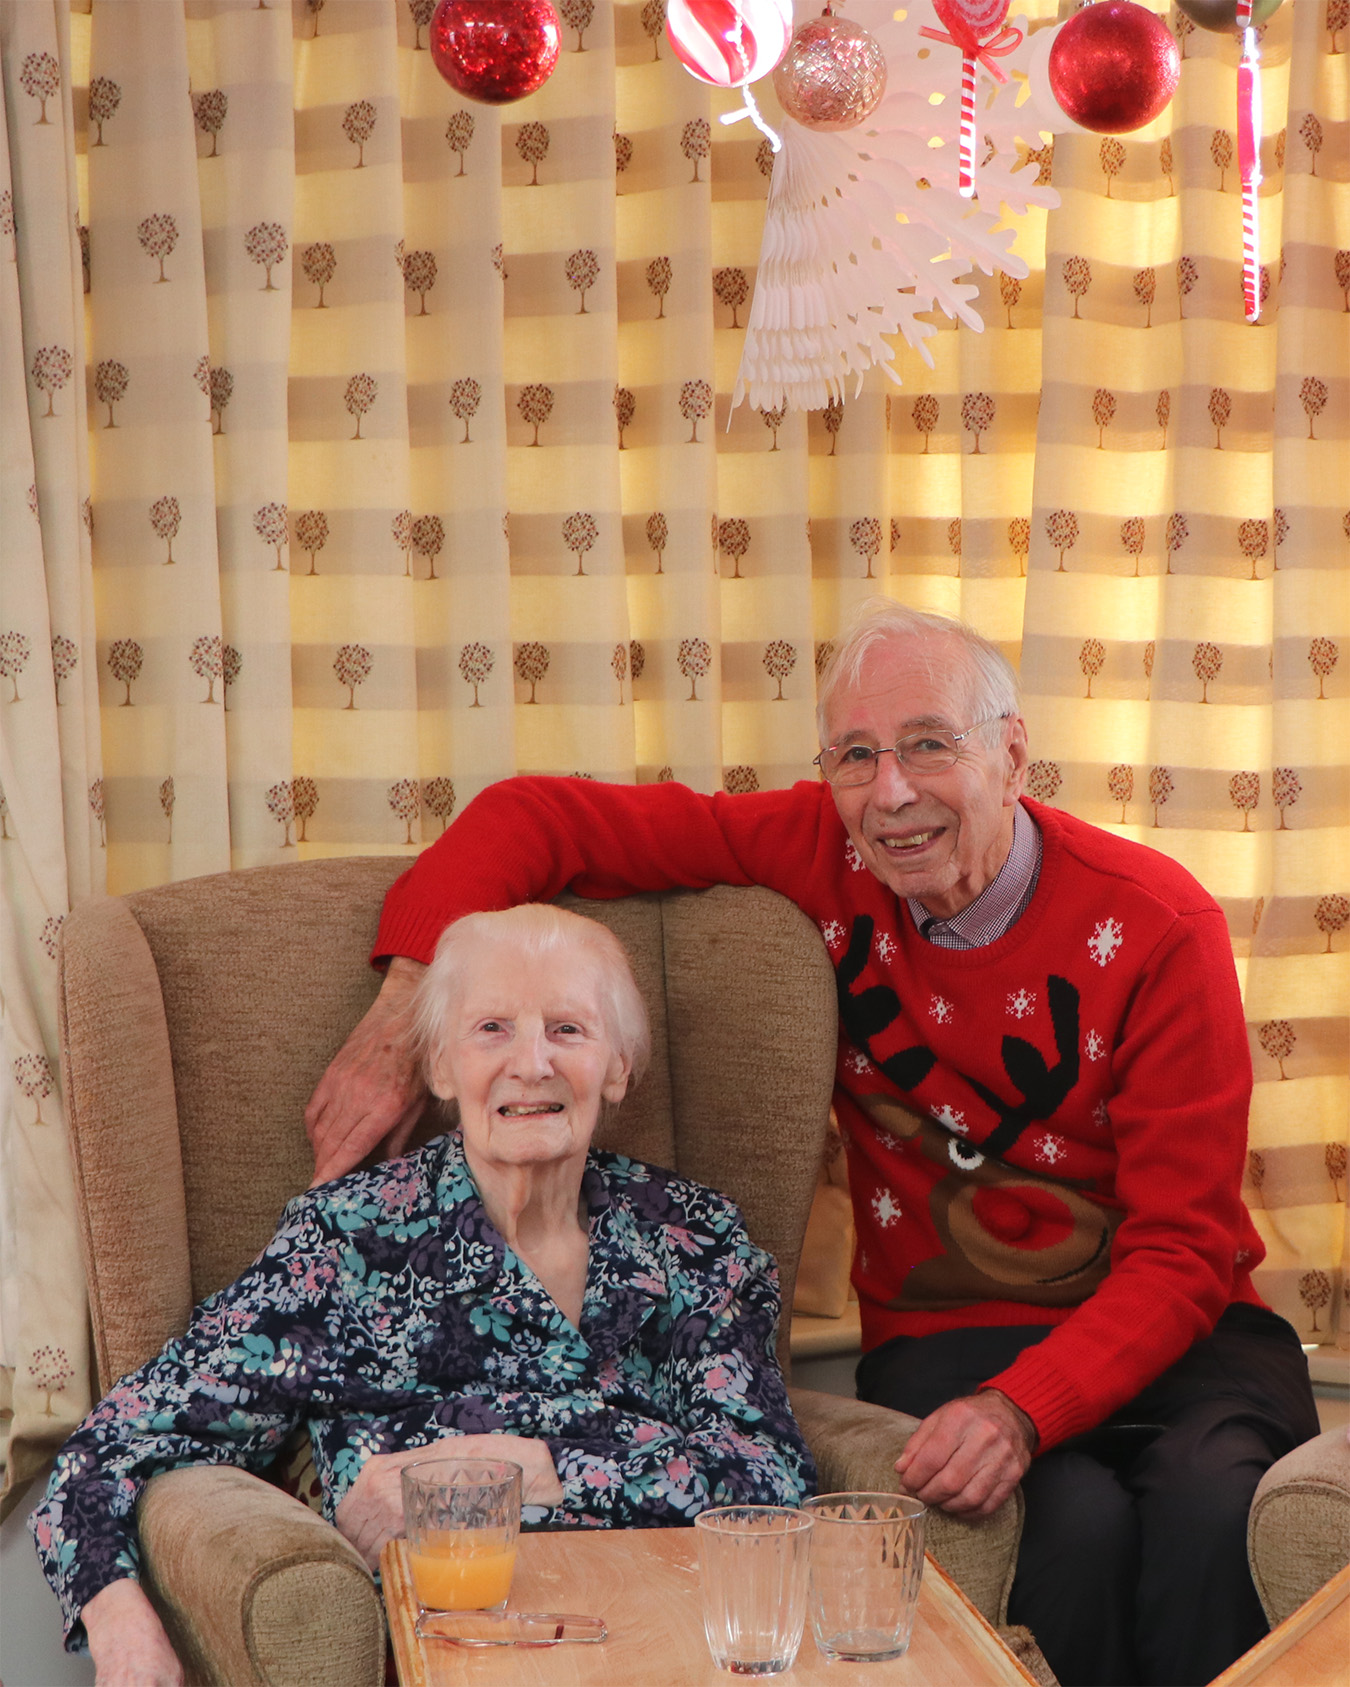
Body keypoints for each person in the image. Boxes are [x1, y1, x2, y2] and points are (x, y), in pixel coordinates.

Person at [306, 600, 1319, 1687]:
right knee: (1067, 1528)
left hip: (1184, 1323)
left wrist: (1030, 1408)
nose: (892, 792)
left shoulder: (1156, 925)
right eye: (857, 756)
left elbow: (1184, 1250)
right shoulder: (817, 850)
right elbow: (531, 818)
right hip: (955, 1324)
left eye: (931, 743)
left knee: (1212, 1506)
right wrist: (404, 1001)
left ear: (1014, 753)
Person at [31, 904, 814, 1687]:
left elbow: (771, 1482)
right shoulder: (348, 1244)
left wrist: (533, 1467)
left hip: (679, 1647)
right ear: (441, 1067)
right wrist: (125, 1627)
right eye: (493, 1029)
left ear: (617, 1067)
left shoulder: (691, 1237)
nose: (533, 1063)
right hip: (455, 1657)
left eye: (569, 1029)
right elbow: (113, 1447)